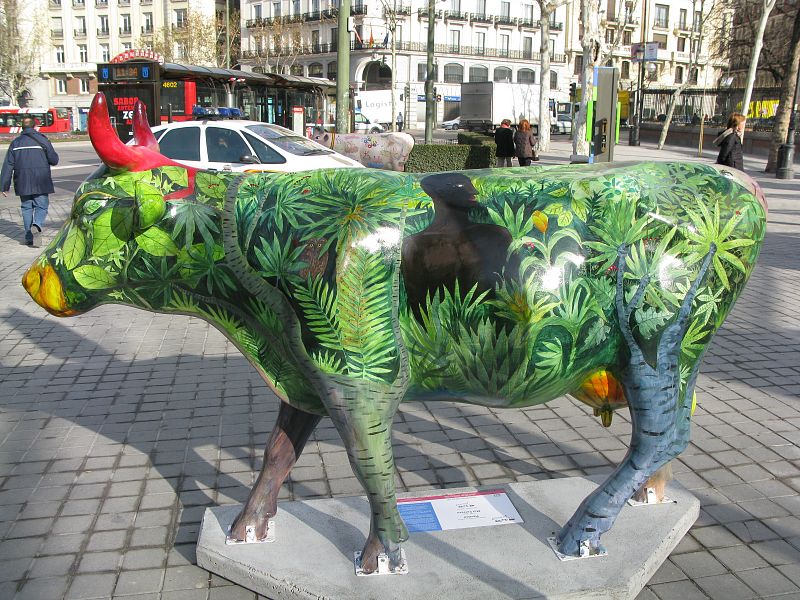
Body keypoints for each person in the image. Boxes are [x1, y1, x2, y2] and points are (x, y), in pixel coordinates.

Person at [1, 116, 59, 247]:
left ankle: (29, 237)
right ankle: (37, 224)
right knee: (41, 206)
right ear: (34, 127)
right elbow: (54, 160)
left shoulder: (15, 143)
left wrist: (4, 186)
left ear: (22, 128)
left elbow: (8, 165)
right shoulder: (43, 140)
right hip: (41, 180)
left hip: (22, 181)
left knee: (26, 208)